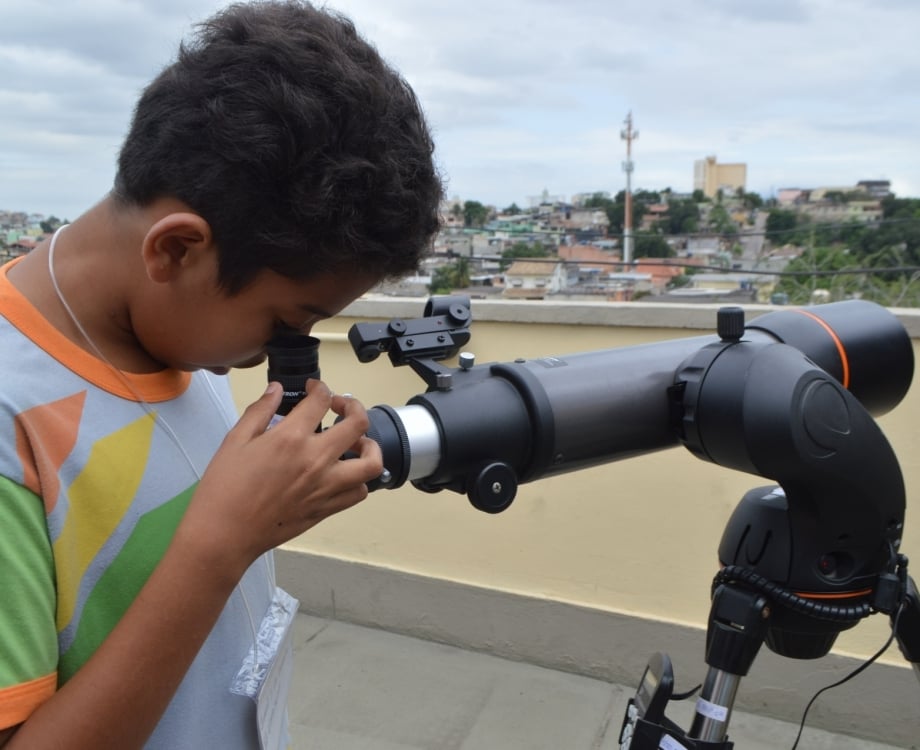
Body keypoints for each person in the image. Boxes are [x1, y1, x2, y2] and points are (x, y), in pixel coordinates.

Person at [0, 1, 442, 747]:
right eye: (286, 321)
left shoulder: (173, 329)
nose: (288, 348)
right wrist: (221, 544)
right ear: (175, 250)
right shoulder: (15, 424)